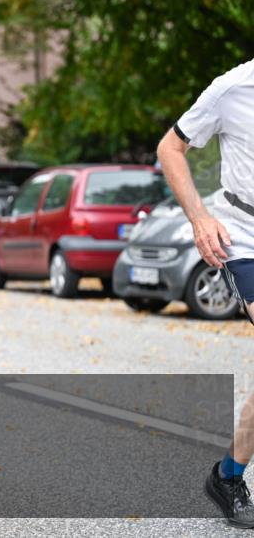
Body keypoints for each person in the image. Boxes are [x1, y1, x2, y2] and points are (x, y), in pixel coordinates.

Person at [156, 58, 253, 529]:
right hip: (244, 234)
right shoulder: (231, 88)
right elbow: (170, 148)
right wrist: (199, 219)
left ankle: (228, 475)